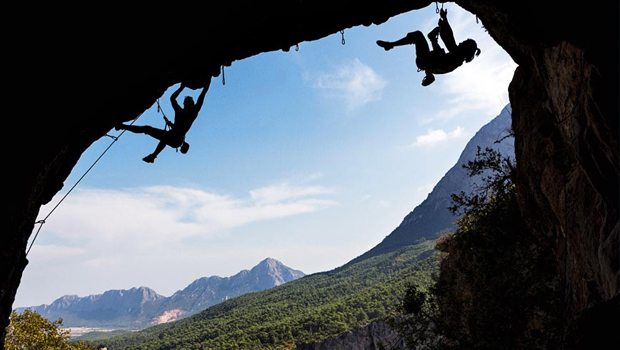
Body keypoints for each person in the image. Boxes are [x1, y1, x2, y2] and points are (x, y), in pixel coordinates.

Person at [376, 9, 480, 86]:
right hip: (429, 62)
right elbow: (449, 40)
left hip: (427, 62)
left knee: (418, 36)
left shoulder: (457, 56)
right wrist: (443, 22)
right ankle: (391, 45)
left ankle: (390, 45)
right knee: (434, 49)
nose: (461, 42)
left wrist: (444, 22)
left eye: (464, 42)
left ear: (466, 48)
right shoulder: (457, 56)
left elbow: (449, 40)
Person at [117, 78, 210, 163]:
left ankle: (152, 155)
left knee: (155, 133)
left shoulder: (183, 111)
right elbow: (203, 92)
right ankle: (152, 155)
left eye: (188, 103)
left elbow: (173, 98)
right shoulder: (192, 112)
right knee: (149, 130)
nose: (188, 105)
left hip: (176, 138)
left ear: (185, 104)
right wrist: (208, 79)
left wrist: (182, 87)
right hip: (177, 139)